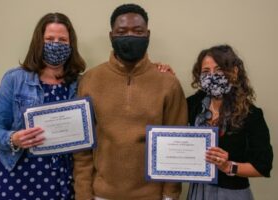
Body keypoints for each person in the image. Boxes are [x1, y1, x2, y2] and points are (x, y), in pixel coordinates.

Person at [73, 4, 188, 200]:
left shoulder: (168, 83)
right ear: (111, 36)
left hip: (152, 196)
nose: (130, 36)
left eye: (137, 31)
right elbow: (82, 150)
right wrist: (83, 195)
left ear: (148, 34)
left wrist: (170, 195)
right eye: (122, 31)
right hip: (101, 194)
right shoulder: (90, 80)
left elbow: (175, 145)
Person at [0, 13, 86, 200]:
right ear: (39, 42)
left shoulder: (81, 83)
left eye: (62, 40)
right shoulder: (14, 79)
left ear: (71, 45)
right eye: (49, 39)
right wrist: (13, 139)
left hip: (63, 179)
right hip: (16, 177)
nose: (56, 44)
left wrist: (155, 69)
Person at [186, 45, 273, 200]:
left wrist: (228, 166)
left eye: (219, 69)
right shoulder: (194, 105)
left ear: (233, 72)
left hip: (232, 194)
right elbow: (169, 110)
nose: (212, 76)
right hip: (198, 192)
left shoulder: (252, 115)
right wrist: (164, 74)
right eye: (206, 71)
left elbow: (262, 167)